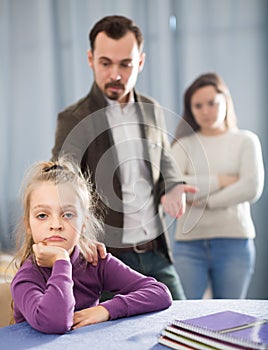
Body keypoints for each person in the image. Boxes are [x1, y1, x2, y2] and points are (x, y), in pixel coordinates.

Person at [51, 15, 196, 300]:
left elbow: (163, 155)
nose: (115, 74)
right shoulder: (73, 119)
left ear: (140, 62)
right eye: (105, 63)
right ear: (91, 59)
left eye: (125, 64)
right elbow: (62, 184)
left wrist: (173, 185)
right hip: (107, 261)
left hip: (156, 252)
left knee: (182, 329)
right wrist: (78, 235)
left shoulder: (153, 109)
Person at [10, 158, 172, 334]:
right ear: (28, 225)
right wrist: (61, 262)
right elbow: (56, 322)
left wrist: (106, 310)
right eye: (42, 215)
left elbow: (159, 293)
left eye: (68, 214)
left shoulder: (94, 261)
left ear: (84, 222)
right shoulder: (27, 277)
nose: (55, 224)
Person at [171, 72, 264, 299]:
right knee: (185, 315)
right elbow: (171, 184)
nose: (205, 111)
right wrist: (221, 181)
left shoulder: (245, 140)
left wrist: (206, 201)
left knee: (229, 317)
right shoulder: (183, 144)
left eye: (212, 103)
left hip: (234, 243)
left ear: (225, 101)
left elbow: (251, 188)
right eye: (198, 105)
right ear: (190, 109)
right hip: (189, 246)